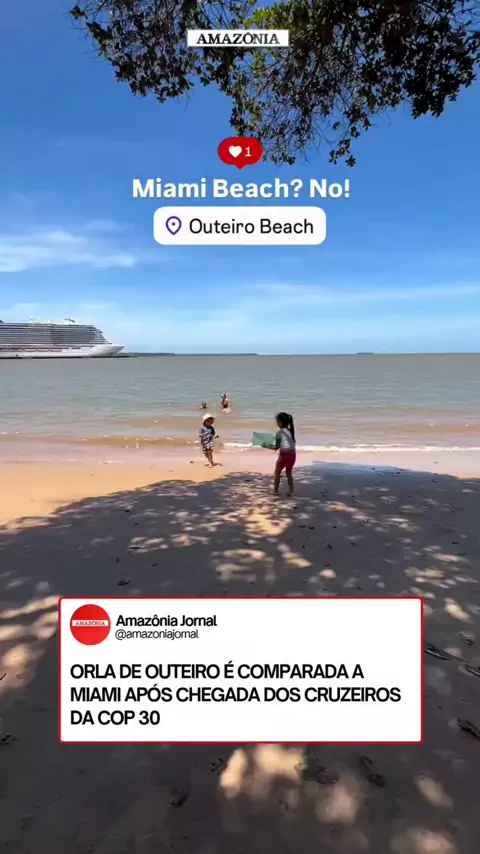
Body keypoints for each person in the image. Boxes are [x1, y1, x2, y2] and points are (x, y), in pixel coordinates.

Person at [263, 412, 296, 496]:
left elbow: (276, 447)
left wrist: (266, 446)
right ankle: (291, 491)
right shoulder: (291, 431)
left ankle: (276, 491)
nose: (277, 424)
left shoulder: (279, 433)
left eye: (277, 422)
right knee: (289, 473)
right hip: (293, 455)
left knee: (277, 473)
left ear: (280, 422)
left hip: (284, 456)